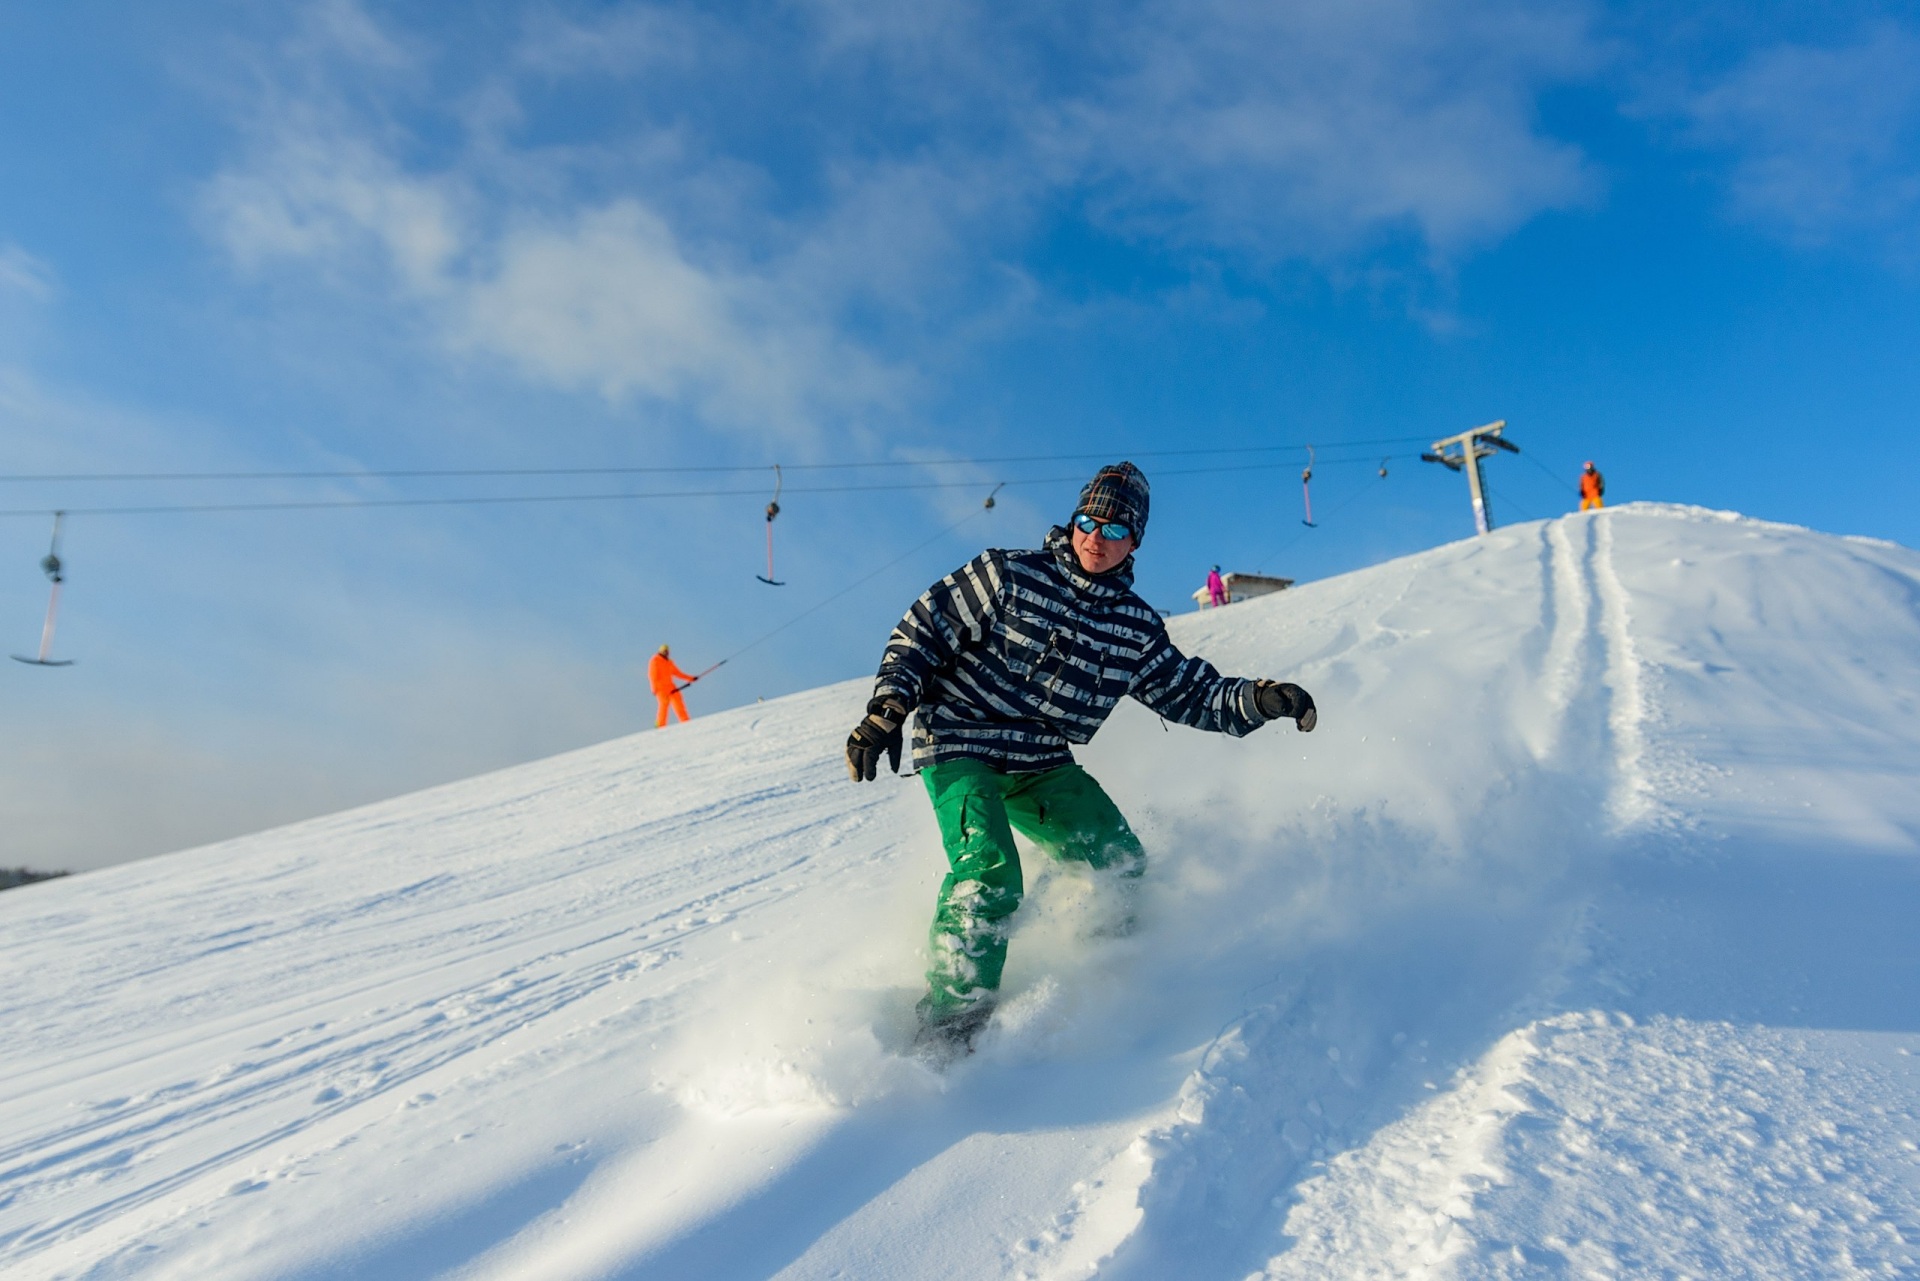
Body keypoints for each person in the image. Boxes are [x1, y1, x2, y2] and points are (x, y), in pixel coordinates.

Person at [846, 462, 1319, 1061]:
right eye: (1087, 521)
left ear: (1135, 542)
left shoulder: (1134, 628)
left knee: (1118, 858)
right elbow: (924, 631)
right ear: (1072, 522)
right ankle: (950, 1024)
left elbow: (1187, 691)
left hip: (1041, 758)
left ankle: (1108, 970)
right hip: (959, 740)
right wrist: (889, 706)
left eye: (1115, 528)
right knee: (988, 868)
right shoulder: (1008, 574)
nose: (1097, 537)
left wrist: (1258, 699)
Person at [649, 644, 698, 727]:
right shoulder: (655, 661)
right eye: (664, 651)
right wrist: (654, 688)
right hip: (661, 689)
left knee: (679, 705)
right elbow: (652, 675)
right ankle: (660, 725)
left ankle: (685, 722)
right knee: (664, 706)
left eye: (667, 651)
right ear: (660, 651)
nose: (666, 652)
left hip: (671, 687)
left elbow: (678, 673)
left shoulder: (669, 662)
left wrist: (690, 678)